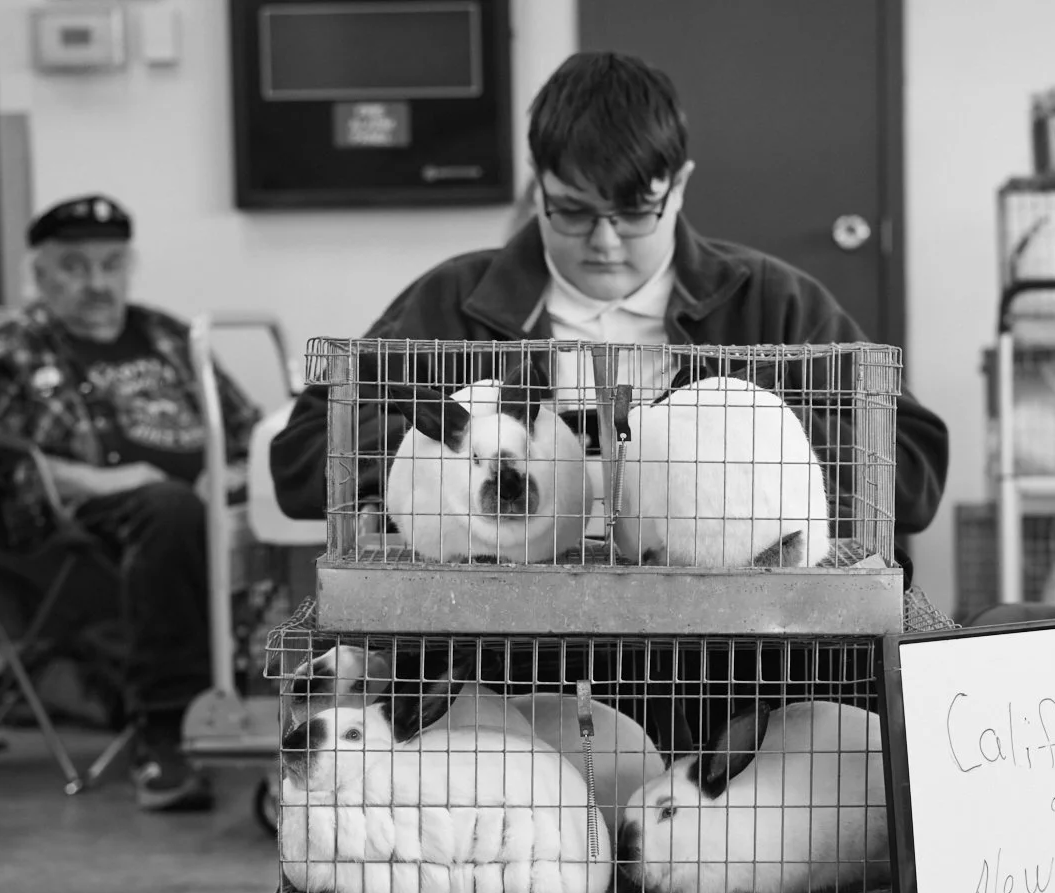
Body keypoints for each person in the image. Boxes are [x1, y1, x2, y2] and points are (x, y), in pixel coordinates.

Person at [270, 51, 948, 576]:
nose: (603, 240)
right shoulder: (455, 302)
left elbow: (913, 468)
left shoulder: (771, 302)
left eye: (632, 211)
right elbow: (301, 457)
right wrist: (444, 473)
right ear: (538, 186)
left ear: (678, 187)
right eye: (572, 209)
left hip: (722, 657)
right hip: (502, 649)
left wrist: (727, 462)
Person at [0, 194, 260, 810]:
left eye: (110, 265)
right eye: (75, 267)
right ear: (40, 274)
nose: (97, 284)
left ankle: (316, 718)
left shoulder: (168, 334)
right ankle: (165, 736)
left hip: (208, 512)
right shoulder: (15, 346)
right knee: (169, 509)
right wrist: (90, 479)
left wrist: (231, 473)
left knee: (303, 497)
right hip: (82, 525)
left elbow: (250, 429)